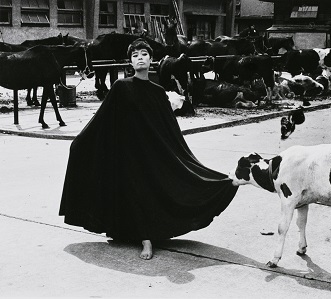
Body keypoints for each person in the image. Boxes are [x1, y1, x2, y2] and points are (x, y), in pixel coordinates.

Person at [59, 39, 238, 259]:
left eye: (144, 54)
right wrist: (80, 143)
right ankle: (145, 240)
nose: (140, 58)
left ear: (151, 59)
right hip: (127, 154)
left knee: (153, 190)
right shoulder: (121, 87)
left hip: (151, 154)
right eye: (135, 55)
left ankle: (146, 236)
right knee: (133, 191)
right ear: (130, 62)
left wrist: (180, 158)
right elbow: (102, 119)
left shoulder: (158, 92)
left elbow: (169, 130)